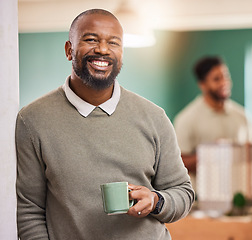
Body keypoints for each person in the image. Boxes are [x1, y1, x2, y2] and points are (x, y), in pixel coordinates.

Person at [15, 9, 194, 240]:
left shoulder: (154, 117)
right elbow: (29, 210)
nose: (102, 49)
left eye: (114, 42)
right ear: (69, 50)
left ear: (121, 53)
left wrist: (156, 201)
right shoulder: (32, 120)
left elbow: (183, 193)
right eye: (91, 39)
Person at [173, 56, 252, 177]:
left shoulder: (242, 116)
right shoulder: (186, 119)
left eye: (226, 76)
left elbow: (249, 157)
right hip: (201, 194)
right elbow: (179, 164)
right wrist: (213, 154)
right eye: (217, 79)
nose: (224, 82)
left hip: (239, 193)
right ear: (203, 85)